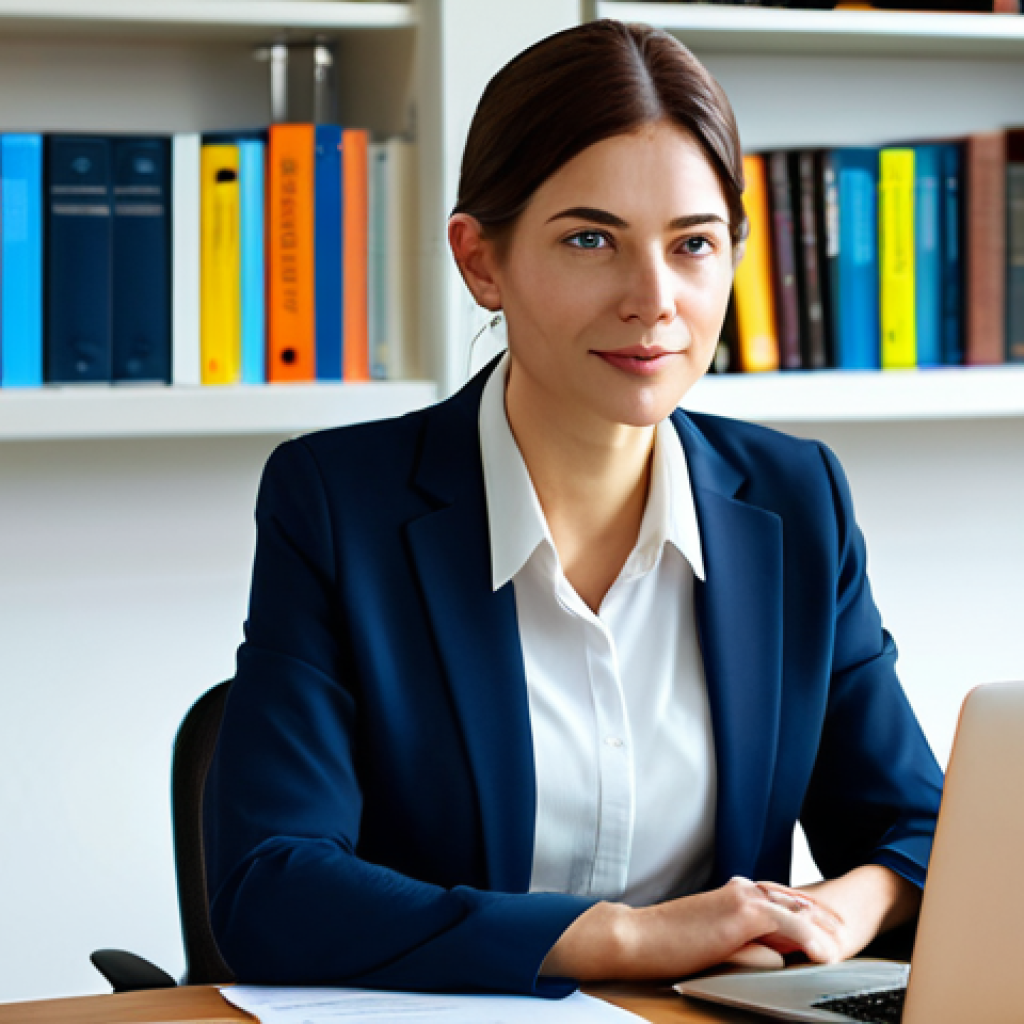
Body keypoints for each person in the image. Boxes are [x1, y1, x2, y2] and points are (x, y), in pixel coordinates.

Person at [203, 19, 943, 996]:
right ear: (481, 261)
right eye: (591, 239)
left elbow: (924, 828)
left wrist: (849, 904)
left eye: (692, 245)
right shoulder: (340, 505)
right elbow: (272, 890)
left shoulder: (795, 500)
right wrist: (626, 939)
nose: (654, 299)